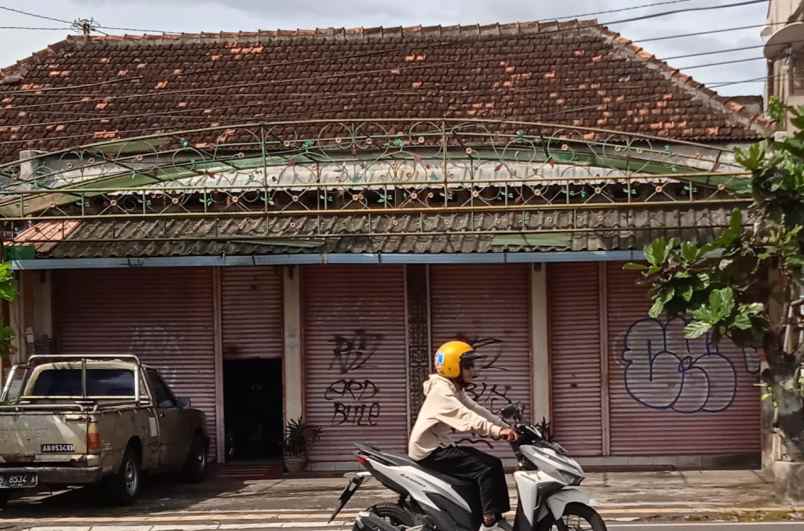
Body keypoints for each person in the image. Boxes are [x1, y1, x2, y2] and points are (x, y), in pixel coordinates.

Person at [408, 340, 519, 531]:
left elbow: (477, 410)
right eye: (467, 365)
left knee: (485, 467)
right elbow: (465, 417)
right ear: (453, 367)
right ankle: (490, 521)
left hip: (440, 446)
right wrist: (497, 432)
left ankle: (486, 517)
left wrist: (504, 426)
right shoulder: (441, 392)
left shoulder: (453, 388)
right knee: (488, 467)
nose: (472, 370)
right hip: (430, 452)